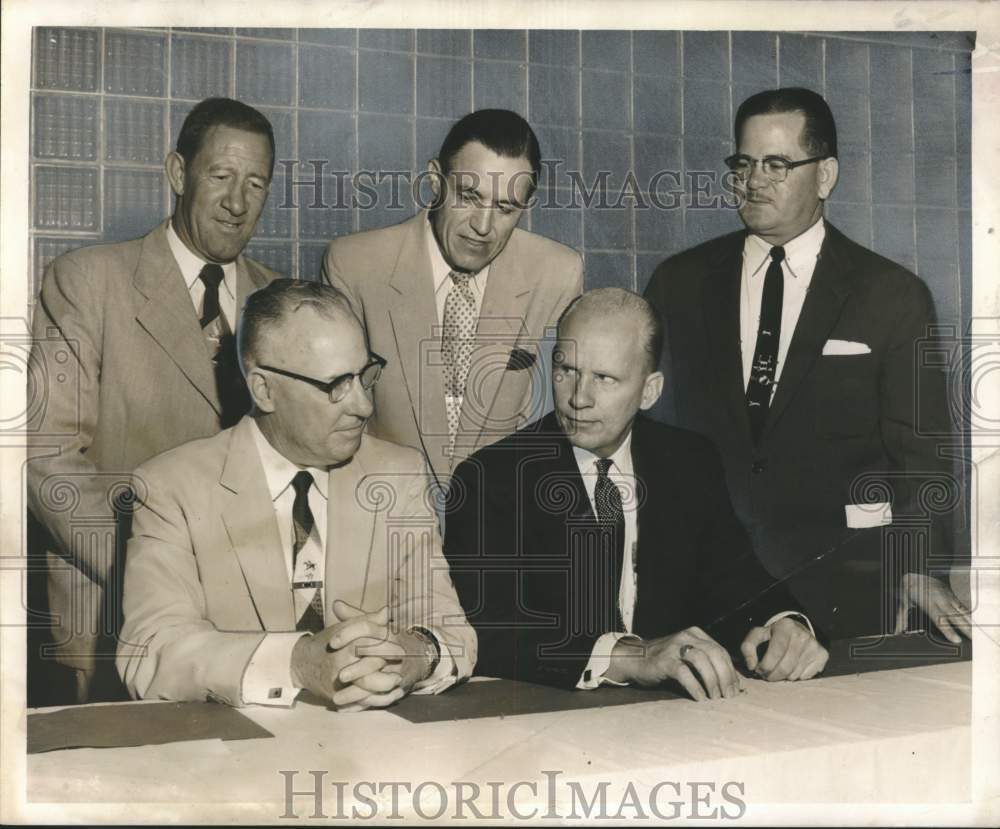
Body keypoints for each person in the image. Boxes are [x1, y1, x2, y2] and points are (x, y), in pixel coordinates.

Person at [643, 87, 970, 643]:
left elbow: (922, 450)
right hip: (703, 594)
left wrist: (919, 566)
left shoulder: (891, 295)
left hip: (843, 594)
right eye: (743, 164)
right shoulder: (678, 283)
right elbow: (652, 437)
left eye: (777, 164)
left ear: (825, 176)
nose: (754, 181)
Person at [444, 289, 827, 698]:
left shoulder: (689, 459)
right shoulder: (489, 477)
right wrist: (629, 657)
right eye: (566, 370)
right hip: (551, 718)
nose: (578, 398)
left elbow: (734, 579)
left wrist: (784, 621)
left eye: (604, 378)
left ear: (650, 390)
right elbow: (486, 626)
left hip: (672, 716)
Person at [26, 97, 281, 705]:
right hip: (115, 619)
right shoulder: (87, 281)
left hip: (255, 626)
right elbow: (45, 458)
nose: (237, 203)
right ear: (176, 173)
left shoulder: (279, 298)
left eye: (256, 184)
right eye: (220, 177)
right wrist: (158, 571)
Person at [117, 279, 476, 708]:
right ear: (264, 389)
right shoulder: (171, 486)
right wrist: (298, 662)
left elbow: (448, 625)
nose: (363, 405)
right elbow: (150, 651)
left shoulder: (398, 474)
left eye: (365, 377)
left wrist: (413, 654)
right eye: (335, 385)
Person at [322, 108, 583, 488]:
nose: (482, 227)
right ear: (435, 181)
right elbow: (335, 418)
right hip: (382, 513)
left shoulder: (558, 274)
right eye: (469, 196)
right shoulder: (355, 266)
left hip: (503, 519)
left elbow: (550, 425)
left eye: (505, 208)